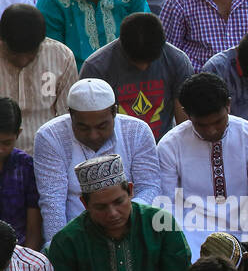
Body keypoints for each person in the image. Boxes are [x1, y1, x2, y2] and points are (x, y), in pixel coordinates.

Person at [35, 80, 162, 244]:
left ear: (114, 112)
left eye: (102, 126)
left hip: (130, 230)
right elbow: (52, 201)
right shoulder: (50, 136)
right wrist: (58, 246)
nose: (93, 135)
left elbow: (149, 187)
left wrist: (118, 219)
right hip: (76, 237)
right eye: (83, 128)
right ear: (70, 115)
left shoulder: (137, 131)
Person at [157, 72, 248, 258]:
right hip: (191, 232)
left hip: (244, 227)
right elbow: (168, 205)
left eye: (218, 121)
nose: (211, 130)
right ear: (186, 113)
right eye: (201, 125)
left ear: (228, 105)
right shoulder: (170, 145)